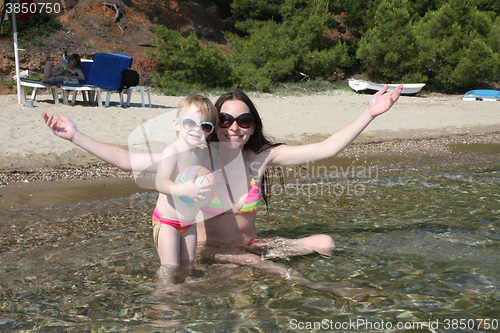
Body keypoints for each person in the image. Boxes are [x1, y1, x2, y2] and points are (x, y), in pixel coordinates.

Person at [43, 85, 402, 300]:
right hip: (209, 251)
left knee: (325, 242)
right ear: (214, 124)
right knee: (257, 265)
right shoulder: (195, 155)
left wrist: (369, 113)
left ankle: (265, 270)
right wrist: (75, 135)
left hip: (249, 244)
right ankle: (329, 290)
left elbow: (326, 149)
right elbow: (127, 160)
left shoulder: (261, 157)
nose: (234, 127)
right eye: (225, 120)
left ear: (253, 126)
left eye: (243, 121)